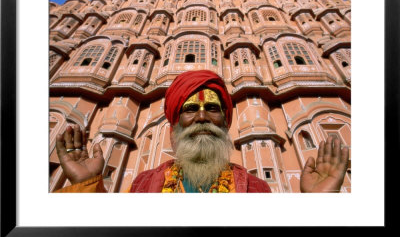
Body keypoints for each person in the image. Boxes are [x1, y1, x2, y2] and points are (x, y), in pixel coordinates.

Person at [55, 70, 349, 193]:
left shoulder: (255, 188)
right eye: (190, 109)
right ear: (173, 126)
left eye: (212, 108)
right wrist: (86, 185)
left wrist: (320, 207)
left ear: (225, 121)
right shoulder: (146, 183)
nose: (202, 118)